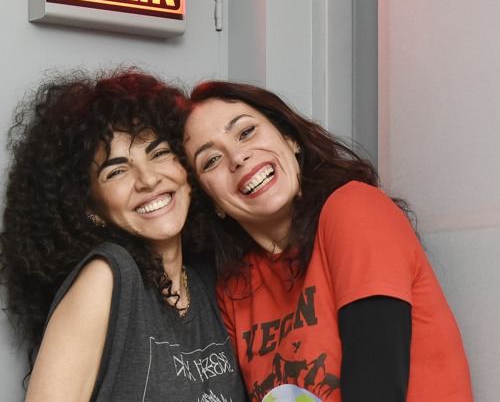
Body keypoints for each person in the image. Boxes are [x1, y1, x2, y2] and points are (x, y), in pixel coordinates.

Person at [182, 80, 474, 402]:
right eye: (211, 160)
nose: (237, 157)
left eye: (246, 132)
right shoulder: (234, 285)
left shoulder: (354, 210)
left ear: (290, 139)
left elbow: (377, 392)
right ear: (211, 202)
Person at [0, 69, 247, 401]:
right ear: (91, 209)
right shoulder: (107, 275)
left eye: (159, 153)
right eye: (117, 171)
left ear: (186, 168)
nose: (148, 179)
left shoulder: (208, 280)